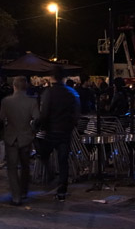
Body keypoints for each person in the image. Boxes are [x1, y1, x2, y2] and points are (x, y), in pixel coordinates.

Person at [37, 66, 80, 202]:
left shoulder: (49, 93)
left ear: (52, 77)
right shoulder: (71, 93)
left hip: (51, 130)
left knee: (42, 153)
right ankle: (62, 190)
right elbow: (76, 113)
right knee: (63, 161)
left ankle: (50, 175)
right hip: (65, 131)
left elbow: (44, 113)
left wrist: (41, 126)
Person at [0, 75, 39, 206]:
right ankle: (23, 191)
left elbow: (0, 120)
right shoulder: (32, 101)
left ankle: (16, 196)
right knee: (25, 166)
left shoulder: (6, 101)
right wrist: (33, 131)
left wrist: (2, 133)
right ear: (26, 87)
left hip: (11, 137)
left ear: (14, 86)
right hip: (26, 136)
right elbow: (37, 119)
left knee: (12, 167)